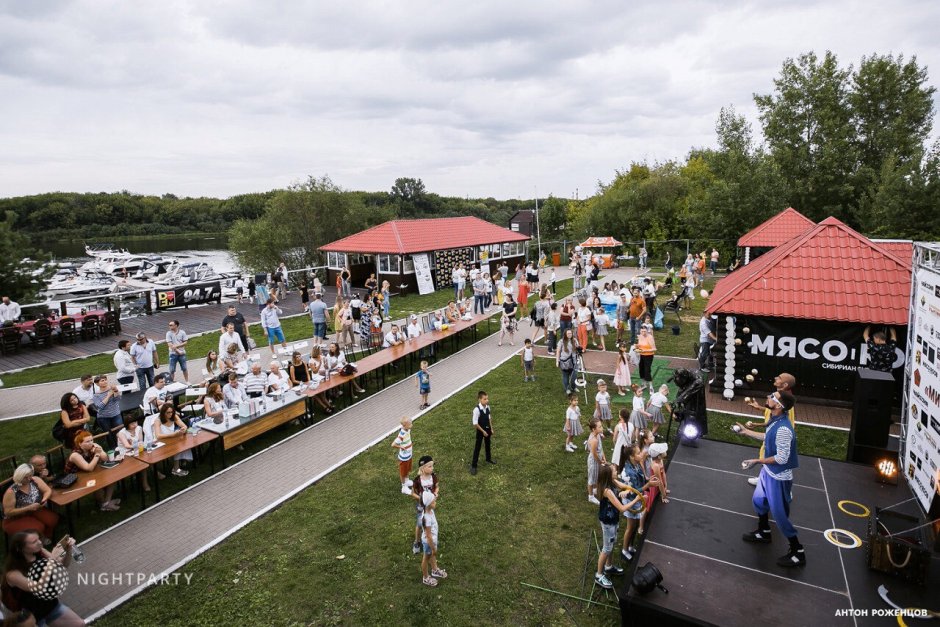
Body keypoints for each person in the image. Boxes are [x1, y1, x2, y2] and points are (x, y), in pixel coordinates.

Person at [736, 391, 805, 567]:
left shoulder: (783, 429)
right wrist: (746, 432)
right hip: (768, 472)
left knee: (780, 516)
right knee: (759, 501)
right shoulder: (776, 421)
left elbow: (782, 458)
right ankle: (764, 531)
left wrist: (757, 461)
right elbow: (767, 437)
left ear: (779, 405)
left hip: (778, 478)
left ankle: (798, 551)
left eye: (771, 396)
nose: (768, 397)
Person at [2, 531, 84, 626]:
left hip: (51, 606)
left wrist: (68, 550)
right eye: (34, 542)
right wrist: (52, 560)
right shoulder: (12, 573)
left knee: (80, 624)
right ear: (20, 548)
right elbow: (38, 587)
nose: (40, 542)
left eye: (38, 539)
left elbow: (62, 566)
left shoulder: (40, 552)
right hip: (32, 618)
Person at [743, 373, 797, 486]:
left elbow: (786, 424)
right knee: (765, 455)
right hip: (770, 432)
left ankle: (780, 486)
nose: (775, 378)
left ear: (785, 384)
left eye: (779, 378)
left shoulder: (784, 402)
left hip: (776, 438)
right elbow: (773, 413)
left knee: (772, 459)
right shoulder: (778, 397)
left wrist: (758, 426)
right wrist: (760, 409)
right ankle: (764, 478)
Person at [593, 463, 634, 589]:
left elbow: (627, 487)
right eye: (615, 471)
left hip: (613, 520)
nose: (617, 472)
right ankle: (599, 575)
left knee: (612, 543)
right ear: (609, 475)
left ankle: (609, 567)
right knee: (606, 548)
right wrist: (637, 500)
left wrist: (626, 491)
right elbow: (622, 508)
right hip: (608, 522)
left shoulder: (613, 482)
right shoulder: (607, 490)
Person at [619, 443, 658, 561]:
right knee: (630, 527)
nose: (641, 454)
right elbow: (634, 491)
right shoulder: (629, 472)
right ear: (631, 456)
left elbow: (640, 479)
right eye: (638, 453)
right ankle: (624, 550)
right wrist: (648, 485)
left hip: (637, 499)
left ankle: (630, 546)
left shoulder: (636, 465)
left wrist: (647, 480)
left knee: (636, 525)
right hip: (631, 501)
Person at [412, 455, 447, 586]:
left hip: (431, 540)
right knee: (427, 557)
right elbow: (428, 535)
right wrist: (433, 548)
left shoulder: (430, 512)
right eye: (433, 500)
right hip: (429, 543)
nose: (435, 500)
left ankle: (435, 570)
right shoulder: (426, 518)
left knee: (431, 556)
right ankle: (426, 577)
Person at [1, 464, 58, 540]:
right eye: (25, 477)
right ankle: (33, 543)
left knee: (52, 519)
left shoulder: (34, 480)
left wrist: (43, 500)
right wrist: (28, 508)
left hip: (33, 510)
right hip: (15, 518)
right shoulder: (11, 491)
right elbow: (8, 512)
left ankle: (44, 536)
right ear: (19, 477)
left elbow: (47, 490)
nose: (29, 479)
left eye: (30, 475)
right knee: (37, 528)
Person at [65, 431, 120, 511]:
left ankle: (106, 502)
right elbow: (88, 468)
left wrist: (100, 450)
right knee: (96, 484)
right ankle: (104, 504)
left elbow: (105, 459)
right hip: (74, 479)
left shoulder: (93, 447)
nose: (91, 443)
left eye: (92, 440)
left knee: (112, 477)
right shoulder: (75, 455)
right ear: (80, 444)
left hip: (88, 474)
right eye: (87, 441)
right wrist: (97, 454)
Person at [151, 405, 190, 476]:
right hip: (160, 442)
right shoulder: (158, 420)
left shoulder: (174, 416)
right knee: (177, 446)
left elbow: (184, 426)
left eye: (171, 412)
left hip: (171, 439)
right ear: (163, 413)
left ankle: (178, 466)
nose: (170, 414)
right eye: (168, 412)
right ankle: (176, 468)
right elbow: (158, 436)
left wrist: (183, 429)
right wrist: (173, 435)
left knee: (181, 444)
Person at [117, 416, 151, 491]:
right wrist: (137, 446)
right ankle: (145, 483)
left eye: (135, 422)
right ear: (127, 424)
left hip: (137, 450)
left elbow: (141, 441)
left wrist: (139, 446)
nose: (135, 425)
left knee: (149, 457)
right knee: (143, 463)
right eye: (132, 423)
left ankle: (155, 473)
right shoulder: (121, 433)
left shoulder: (139, 428)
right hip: (126, 453)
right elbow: (127, 446)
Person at [469, 391, 494, 475]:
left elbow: (489, 418)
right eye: (485, 399)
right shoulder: (476, 410)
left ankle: (488, 458)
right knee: (478, 447)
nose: (487, 400)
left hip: (487, 429)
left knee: (488, 444)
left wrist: (491, 429)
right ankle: (474, 465)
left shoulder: (488, 407)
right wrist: (483, 432)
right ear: (480, 400)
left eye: (487, 398)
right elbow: (475, 423)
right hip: (480, 431)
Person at [392, 417, 414, 495]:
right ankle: (404, 487)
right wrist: (400, 447)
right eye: (410, 424)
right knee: (403, 473)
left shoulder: (407, 429)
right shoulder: (401, 435)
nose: (412, 424)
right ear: (405, 425)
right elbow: (393, 444)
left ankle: (407, 481)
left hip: (409, 455)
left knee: (407, 469)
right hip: (404, 458)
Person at [586, 418, 605, 504]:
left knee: (596, 475)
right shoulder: (594, 440)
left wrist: (603, 457)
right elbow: (594, 454)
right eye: (600, 427)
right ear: (594, 429)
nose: (602, 428)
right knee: (591, 478)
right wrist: (600, 462)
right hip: (594, 461)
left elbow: (600, 449)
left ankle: (595, 489)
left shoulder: (598, 435)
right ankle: (591, 496)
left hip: (598, 459)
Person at [556, 328, 580, 395]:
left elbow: (578, 348)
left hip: (574, 361)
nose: (570, 335)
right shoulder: (561, 341)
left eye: (571, 333)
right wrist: (557, 361)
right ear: (565, 334)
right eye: (568, 333)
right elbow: (558, 351)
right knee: (565, 376)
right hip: (565, 362)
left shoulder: (575, 340)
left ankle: (574, 387)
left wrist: (579, 348)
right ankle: (567, 389)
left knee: (574, 376)